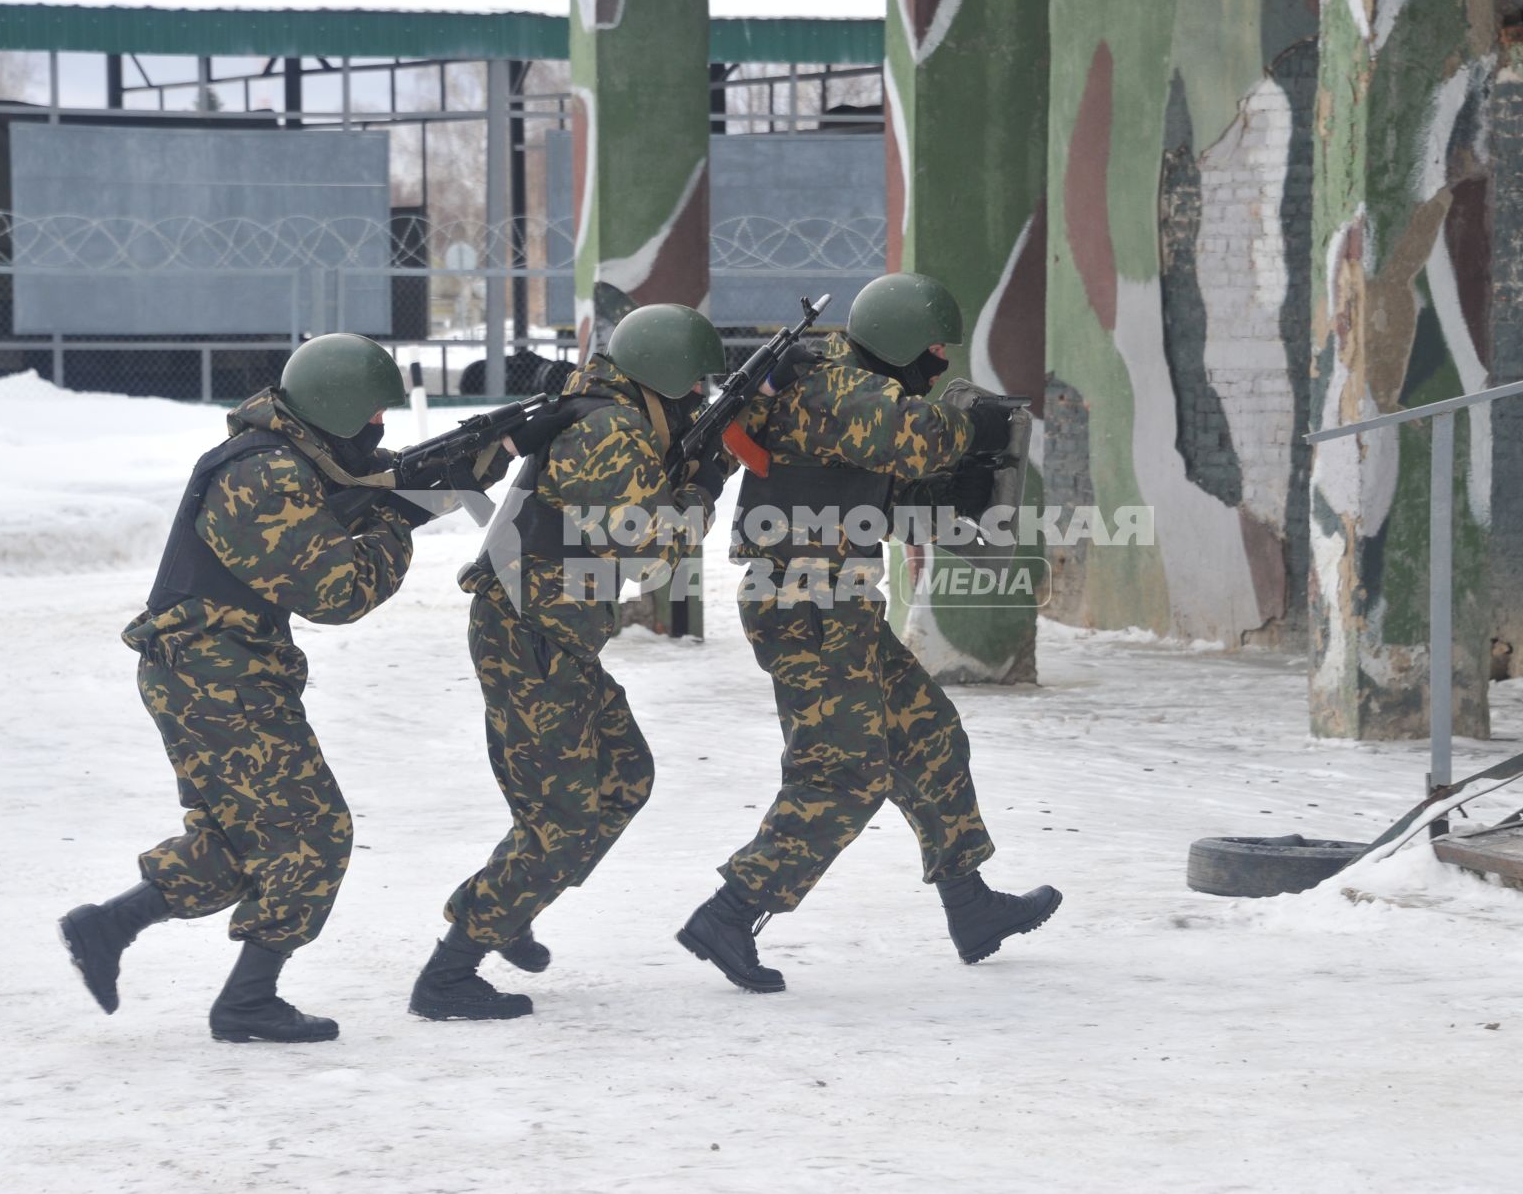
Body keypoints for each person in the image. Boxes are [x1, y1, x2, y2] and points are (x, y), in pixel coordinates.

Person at [59, 333, 499, 1043]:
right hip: (212, 676)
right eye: (373, 415)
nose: (381, 428)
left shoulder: (299, 452)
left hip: (216, 671)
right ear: (339, 411)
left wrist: (466, 465)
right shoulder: (263, 476)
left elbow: (371, 480)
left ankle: (109, 925)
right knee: (313, 835)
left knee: (240, 842)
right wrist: (398, 522)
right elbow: (338, 591)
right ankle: (247, 1001)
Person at [676, 272, 1061, 993]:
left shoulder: (844, 390)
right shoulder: (838, 388)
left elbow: (863, 488)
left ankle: (970, 905)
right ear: (898, 340)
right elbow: (912, 436)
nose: (939, 363)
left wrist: (946, 496)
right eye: (932, 348)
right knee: (843, 773)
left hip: (833, 599)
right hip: (806, 603)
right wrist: (972, 428)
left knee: (928, 735)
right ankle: (732, 911)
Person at [409, 303, 731, 1021]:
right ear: (662, 379)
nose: (701, 401)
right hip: (531, 638)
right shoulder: (611, 431)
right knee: (563, 817)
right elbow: (654, 558)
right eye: (694, 388)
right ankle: (448, 974)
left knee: (625, 776)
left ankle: (505, 903)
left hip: (552, 636)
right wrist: (704, 487)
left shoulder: (617, 413)